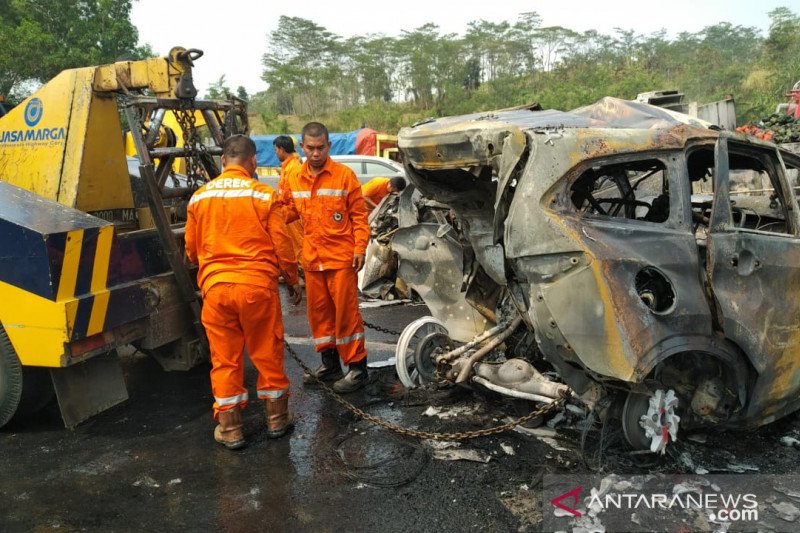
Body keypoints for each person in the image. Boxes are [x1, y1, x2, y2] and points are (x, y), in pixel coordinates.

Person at [185, 135, 302, 450]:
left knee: (225, 360)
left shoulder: (198, 198)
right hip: (257, 289)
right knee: (267, 353)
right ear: (253, 163)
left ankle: (231, 428)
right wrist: (292, 280)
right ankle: (277, 420)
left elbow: (192, 252)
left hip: (217, 290)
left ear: (223, 161)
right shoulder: (264, 196)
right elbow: (283, 247)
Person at [281, 121, 371, 393]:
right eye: (311, 148)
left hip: (340, 259)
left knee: (347, 316)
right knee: (319, 316)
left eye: (321, 148)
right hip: (312, 259)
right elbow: (286, 211)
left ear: (328, 146)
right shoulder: (294, 177)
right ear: (302, 147)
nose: (316, 153)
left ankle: (357, 368)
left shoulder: (344, 176)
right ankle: (330, 365)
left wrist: (359, 249)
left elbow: (359, 216)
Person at [273, 135, 305, 267]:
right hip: (287, 212)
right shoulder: (287, 167)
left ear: (282, 149)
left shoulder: (294, 168)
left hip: (293, 213)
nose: (275, 153)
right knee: (292, 244)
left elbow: (295, 194)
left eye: (276, 150)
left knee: (300, 245)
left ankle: (307, 273)